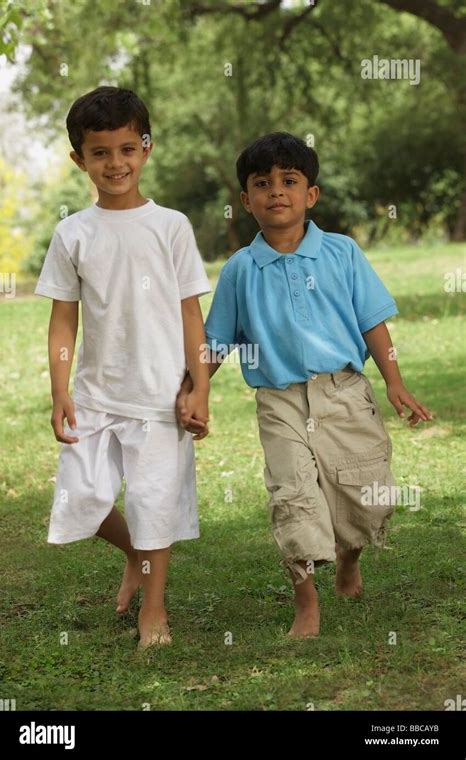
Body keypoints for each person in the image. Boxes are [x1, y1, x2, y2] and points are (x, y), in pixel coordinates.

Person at [176, 132, 434, 639]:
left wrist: (396, 384)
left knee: (364, 496)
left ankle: (348, 559)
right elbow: (218, 341)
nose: (277, 191)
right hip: (280, 401)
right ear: (246, 200)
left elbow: (373, 323)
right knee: (294, 497)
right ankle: (306, 604)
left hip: (344, 393)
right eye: (262, 183)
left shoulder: (342, 253)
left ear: (310, 194)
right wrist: (193, 389)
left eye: (289, 181)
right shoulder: (240, 270)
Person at [34, 86, 211, 649]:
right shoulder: (73, 234)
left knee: (154, 505)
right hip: (95, 394)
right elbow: (64, 322)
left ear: (147, 148)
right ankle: (134, 552)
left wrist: (199, 385)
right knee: (81, 500)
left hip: (159, 396)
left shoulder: (172, 226)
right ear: (78, 159)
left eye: (127, 148)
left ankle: (153, 612)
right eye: (101, 152)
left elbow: (191, 314)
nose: (116, 163)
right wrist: (60, 390)